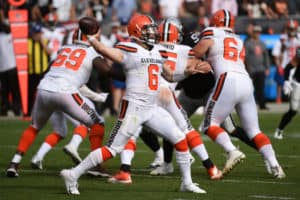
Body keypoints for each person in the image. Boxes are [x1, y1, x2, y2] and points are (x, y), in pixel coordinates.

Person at [60, 14, 210, 195]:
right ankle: (72, 174)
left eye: (153, 29)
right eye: (149, 29)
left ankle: (186, 183)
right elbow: (108, 52)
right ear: (138, 31)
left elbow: (169, 76)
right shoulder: (129, 48)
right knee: (112, 149)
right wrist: (92, 39)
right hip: (133, 107)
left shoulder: (156, 50)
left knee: (179, 138)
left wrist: (187, 72)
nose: (154, 32)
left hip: (151, 106)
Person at [107, 19, 223, 184]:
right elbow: (195, 64)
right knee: (188, 130)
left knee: (131, 131)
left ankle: (125, 169)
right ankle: (211, 167)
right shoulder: (185, 49)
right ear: (177, 35)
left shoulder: (151, 48)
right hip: (168, 94)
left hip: (148, 92)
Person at [6, 17, 108, 178]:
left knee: (34, 127)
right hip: (65, 92)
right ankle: (96, 165)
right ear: (92, 36)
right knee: (97, 122)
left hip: (44, 89)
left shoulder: (64, 49)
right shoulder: (92, 51)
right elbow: (107, 71)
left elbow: (61, 73)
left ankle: (14, 163)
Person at [192, 9, 286, 178]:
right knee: (254, 131)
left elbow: (199, 51)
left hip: (228, 79)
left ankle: (232, 151)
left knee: (209, 124)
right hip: (245, 81)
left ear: (216, 21)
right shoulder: (237, 39)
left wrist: (192, 56)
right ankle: (275, 166)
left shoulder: (211, 31)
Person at [274, 47, 300, 139]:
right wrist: (286, 81)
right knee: (293, 110)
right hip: (298, 84)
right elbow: (288, 67)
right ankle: (279, 129)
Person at [272, 19, 300, 104]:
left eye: (293, 28)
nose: (291, 30)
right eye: (290, 28)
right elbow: (276, 53)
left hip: (297, 64)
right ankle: (279, 98)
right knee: (281, 83)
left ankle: (294, 100)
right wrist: (278, 65)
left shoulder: (299, 37)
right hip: (285, 64)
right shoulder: (282, 39)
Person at [244, 25, 270, 110]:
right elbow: (246, 57)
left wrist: (267, 67)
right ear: (253, 33)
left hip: (261, 68)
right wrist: (248, 68)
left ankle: (262, 104)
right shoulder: (248, 43)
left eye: (259, 32)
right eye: (256, 32)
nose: (257, 34)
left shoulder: (262, 43)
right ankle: (249, 105)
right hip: (252, 69)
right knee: (250, 88)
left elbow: (266, 56)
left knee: (261, 87)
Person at [0, 20, 22, 116]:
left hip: (13, 66)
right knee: (5, 91)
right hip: (2, 68)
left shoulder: (13, 36)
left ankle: (16, 109)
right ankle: (4, 109)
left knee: (14, 90)